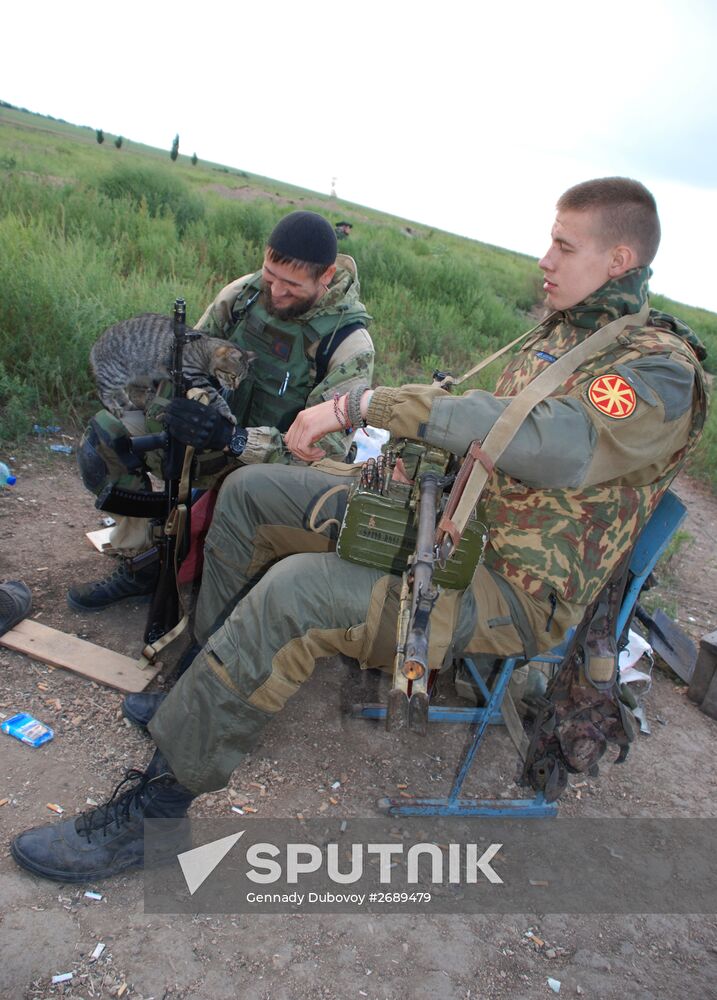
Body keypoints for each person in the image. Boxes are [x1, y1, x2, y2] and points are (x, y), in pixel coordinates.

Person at [11, 177, 707, 883]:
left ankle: (156, 815)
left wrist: (361, 405)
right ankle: (199, 685)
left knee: (298, 593)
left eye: (563, 246)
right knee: (250, 493)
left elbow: (546, 442)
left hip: (510, 587)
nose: (544, 260)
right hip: (447, 524)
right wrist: (382, 430)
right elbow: (467, 406)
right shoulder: (568, 334)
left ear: (618, 260)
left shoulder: (655, 371)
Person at [68, 210, 374, 611]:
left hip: (273, 470)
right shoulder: (244, 296)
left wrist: (234, 439)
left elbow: (322, 455)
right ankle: (141, 561)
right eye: (270, 275)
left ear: (326, 276)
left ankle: (217, 579)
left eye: (292, 285)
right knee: (107, 436)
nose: (276, 291)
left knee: (234, 513)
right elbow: (191, 360)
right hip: (213, 440)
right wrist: (185, 405)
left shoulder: (349, 346)